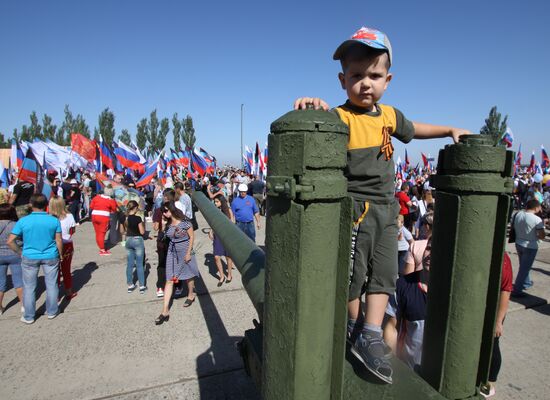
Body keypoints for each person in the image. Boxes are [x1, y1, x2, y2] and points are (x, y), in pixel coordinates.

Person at [293, 26, 470, 383]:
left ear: (388, 80)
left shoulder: (388, 116)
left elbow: (414, 128)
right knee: (353, 276)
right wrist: (314, 106)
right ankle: (356, 326)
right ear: (343, 80)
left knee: (385, 273)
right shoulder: (340, 117)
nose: (365, 83)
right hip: (355, 209)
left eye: (374, 75)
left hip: (387, 209)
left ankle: (370, 332)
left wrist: (450, 129)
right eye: (356, 75)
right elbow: (316, 121)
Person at [7, 193, 62, 324]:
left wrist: (20, 252)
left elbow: (10, 241)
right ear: (46, 205)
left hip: (30, 256)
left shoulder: (23, 221)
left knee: (29, 287)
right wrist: (60, 254)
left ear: (31, 205)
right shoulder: (54, 220)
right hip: (50, 255)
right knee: (52, 284)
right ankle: (52, 311)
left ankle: (29, 316)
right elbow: (58, 240)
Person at [155, 201, 200, 325]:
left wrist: (188, 253)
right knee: (169, 279)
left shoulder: (185, 222)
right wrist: (163, 225)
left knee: (188, 275)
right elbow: (162, 236)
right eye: (162, 211)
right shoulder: (168, 223)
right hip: (172, 252)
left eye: (165, 211)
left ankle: (191, 294)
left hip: (185, 249)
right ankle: (165, 311)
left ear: (171, 210)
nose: (163, 213)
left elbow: (191, 237)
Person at [480, 252, 513, 399]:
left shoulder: (503, 260)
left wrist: (498, 321)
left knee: (493, 345)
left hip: (493, 311)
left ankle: (490, 383)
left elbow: (505, 291)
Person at [511, 199, 545, 296]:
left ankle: (526, 282)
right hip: (530, 246)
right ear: (536, 208)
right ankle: (517, 290)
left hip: (518, 242)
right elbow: (542, 236)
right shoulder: (536, 219)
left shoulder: (518, 214)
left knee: (523, 265)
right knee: (524, 269)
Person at [48, 196, 77, 299]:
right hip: (67, 243)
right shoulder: (69, 216)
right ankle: (68, 291)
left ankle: (55, 294)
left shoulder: (49, 218)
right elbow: (72, 230)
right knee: (66, 269)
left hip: (53, 244)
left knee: (54, 270)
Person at [0, 204, 23, 314]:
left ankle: (0, 308)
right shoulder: (16, 225)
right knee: (18, 281)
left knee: (1, 283)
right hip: (15, 254)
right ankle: (23, 306)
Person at [209, 195, 235, 286]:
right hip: (217, 236)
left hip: (227, 236)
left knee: (228, 257)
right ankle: (221, 276)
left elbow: (233, 223)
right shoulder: (214, 211)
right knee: (216, 256)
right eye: (215, 202)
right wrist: (211, 231)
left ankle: (229, 275)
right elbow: (213, 222)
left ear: (222, 202)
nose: (215, 203)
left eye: (217, 201)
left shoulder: (228, 210)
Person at [122, 200, 146, 294]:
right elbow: (142, 232)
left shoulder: (124, 218)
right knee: (139, 264)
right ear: (135, 208)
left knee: (130, 264)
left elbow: (122, 230)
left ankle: (130, 284)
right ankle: (142, 286)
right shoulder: (138, 218)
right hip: (137, 239)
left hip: (128, 239)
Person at [89, 186, 118, 255]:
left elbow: (91, 206)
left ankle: (100, 246)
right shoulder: (111, 200)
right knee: (102, 233)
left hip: (94, 215)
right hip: (103, 217)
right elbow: (114, 210)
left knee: (97, 232)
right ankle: (102, 249)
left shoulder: (96, 197)